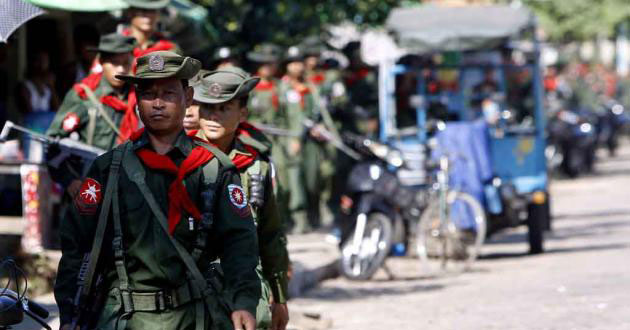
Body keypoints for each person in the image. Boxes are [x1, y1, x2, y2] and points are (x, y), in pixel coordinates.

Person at [54, 51, 260, 330]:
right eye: (148, 94)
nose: (158, 104)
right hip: (124, 319)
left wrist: (243, 302)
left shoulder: (213, 169)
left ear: (188, 98)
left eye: (169, 93)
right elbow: (76, 244)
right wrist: (69, 313)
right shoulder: (108, 170)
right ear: (136, 100)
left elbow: (240, 243)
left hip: (195, 316)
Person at [191, 66, 290, 330]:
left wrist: (279, 296)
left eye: (224, 108)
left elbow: (271, 234)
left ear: (242, 113)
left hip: (244, 282)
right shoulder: (180, 160)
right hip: (190, 285)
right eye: (208, 108)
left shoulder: (256, 166)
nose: (214, 116)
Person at [47, 33, 137, 194]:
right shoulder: (84, 95)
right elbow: (53, 143)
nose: (121, 69)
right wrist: (70, 181)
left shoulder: (138, 95)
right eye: (115, 63)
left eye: (126, 63)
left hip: (129, 185)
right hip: (90, 185)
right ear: (101, 62)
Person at [278, 45, 321, 233]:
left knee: (313, 178)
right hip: (290, 138)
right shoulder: (282, 87)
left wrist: (319, 126)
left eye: (299, 63)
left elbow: (319, 111)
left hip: (312, 139)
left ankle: (314, 214)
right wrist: (291, 137)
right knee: (293, 179)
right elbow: (280, 116)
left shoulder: (311, 86)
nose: (296, 67)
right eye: (292, 63)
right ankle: (298, 219)